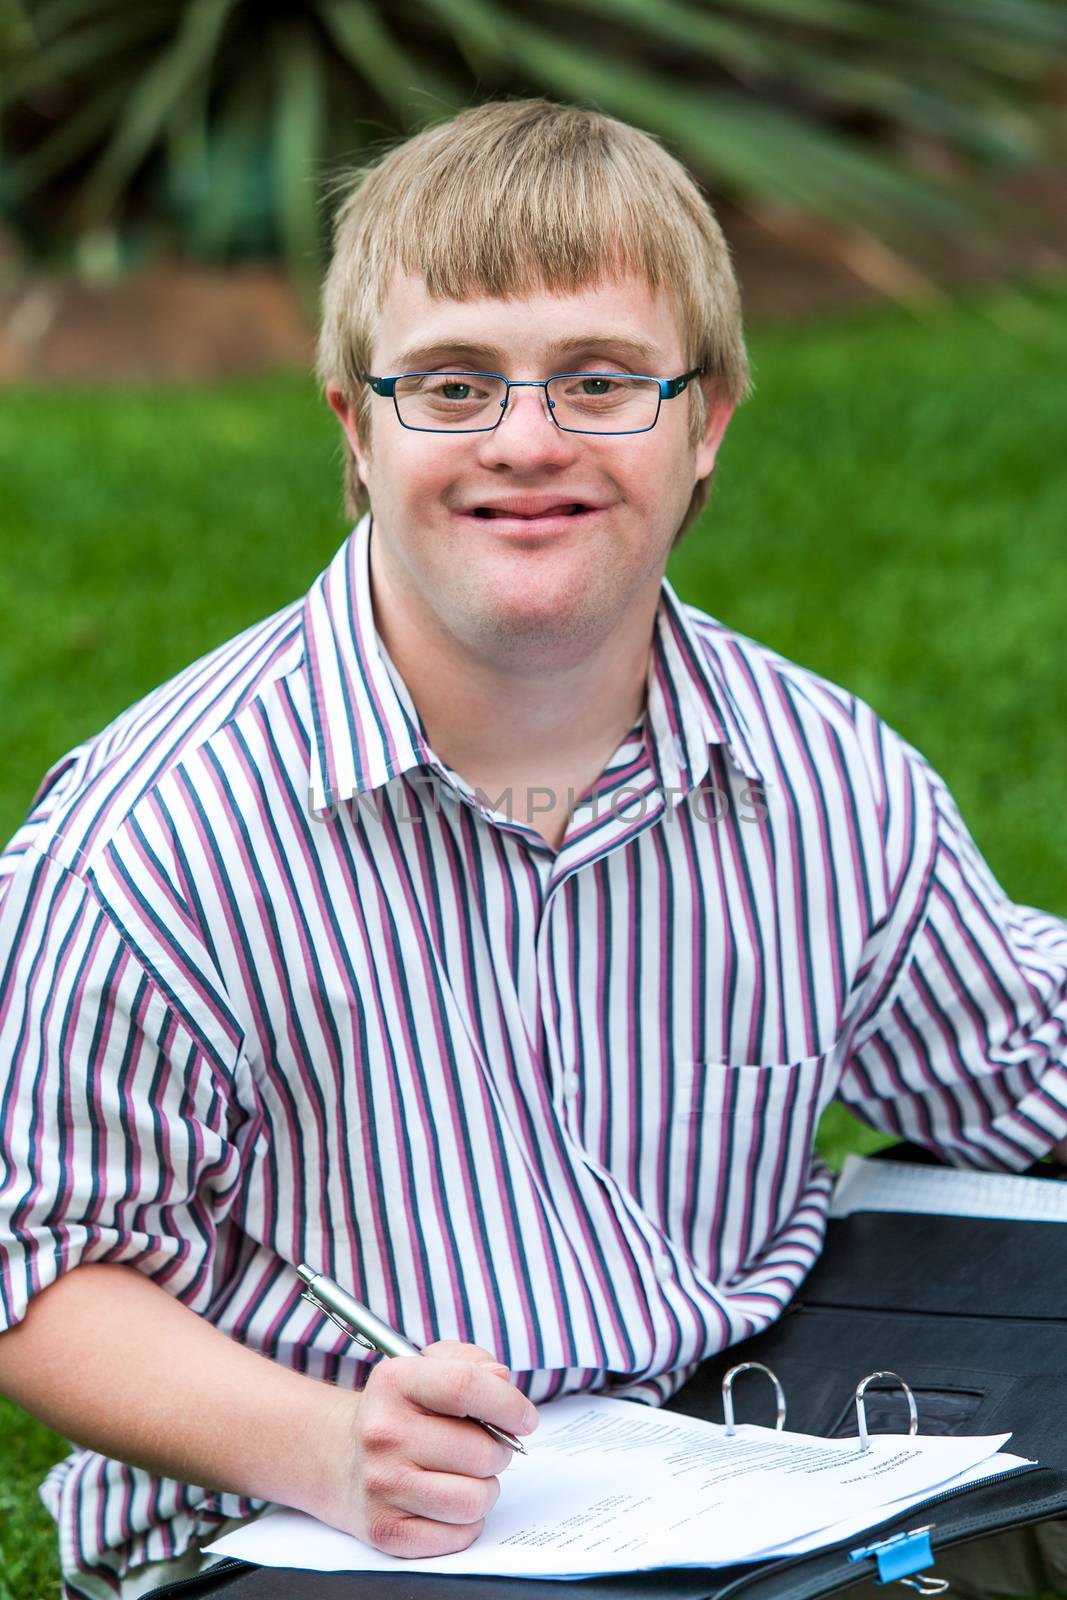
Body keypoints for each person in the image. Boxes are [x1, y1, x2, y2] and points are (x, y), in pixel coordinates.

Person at [1, 97, 1065, 1600]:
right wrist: (316, 1443)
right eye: (450, 385)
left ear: (708, 422)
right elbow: (42, 1268)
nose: (526, 442)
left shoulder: (825, 777)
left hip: (730, 1466)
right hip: (306, 1527)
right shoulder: (153, 840)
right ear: (353, 429)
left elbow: (1022, 1064)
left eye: (601, 380)